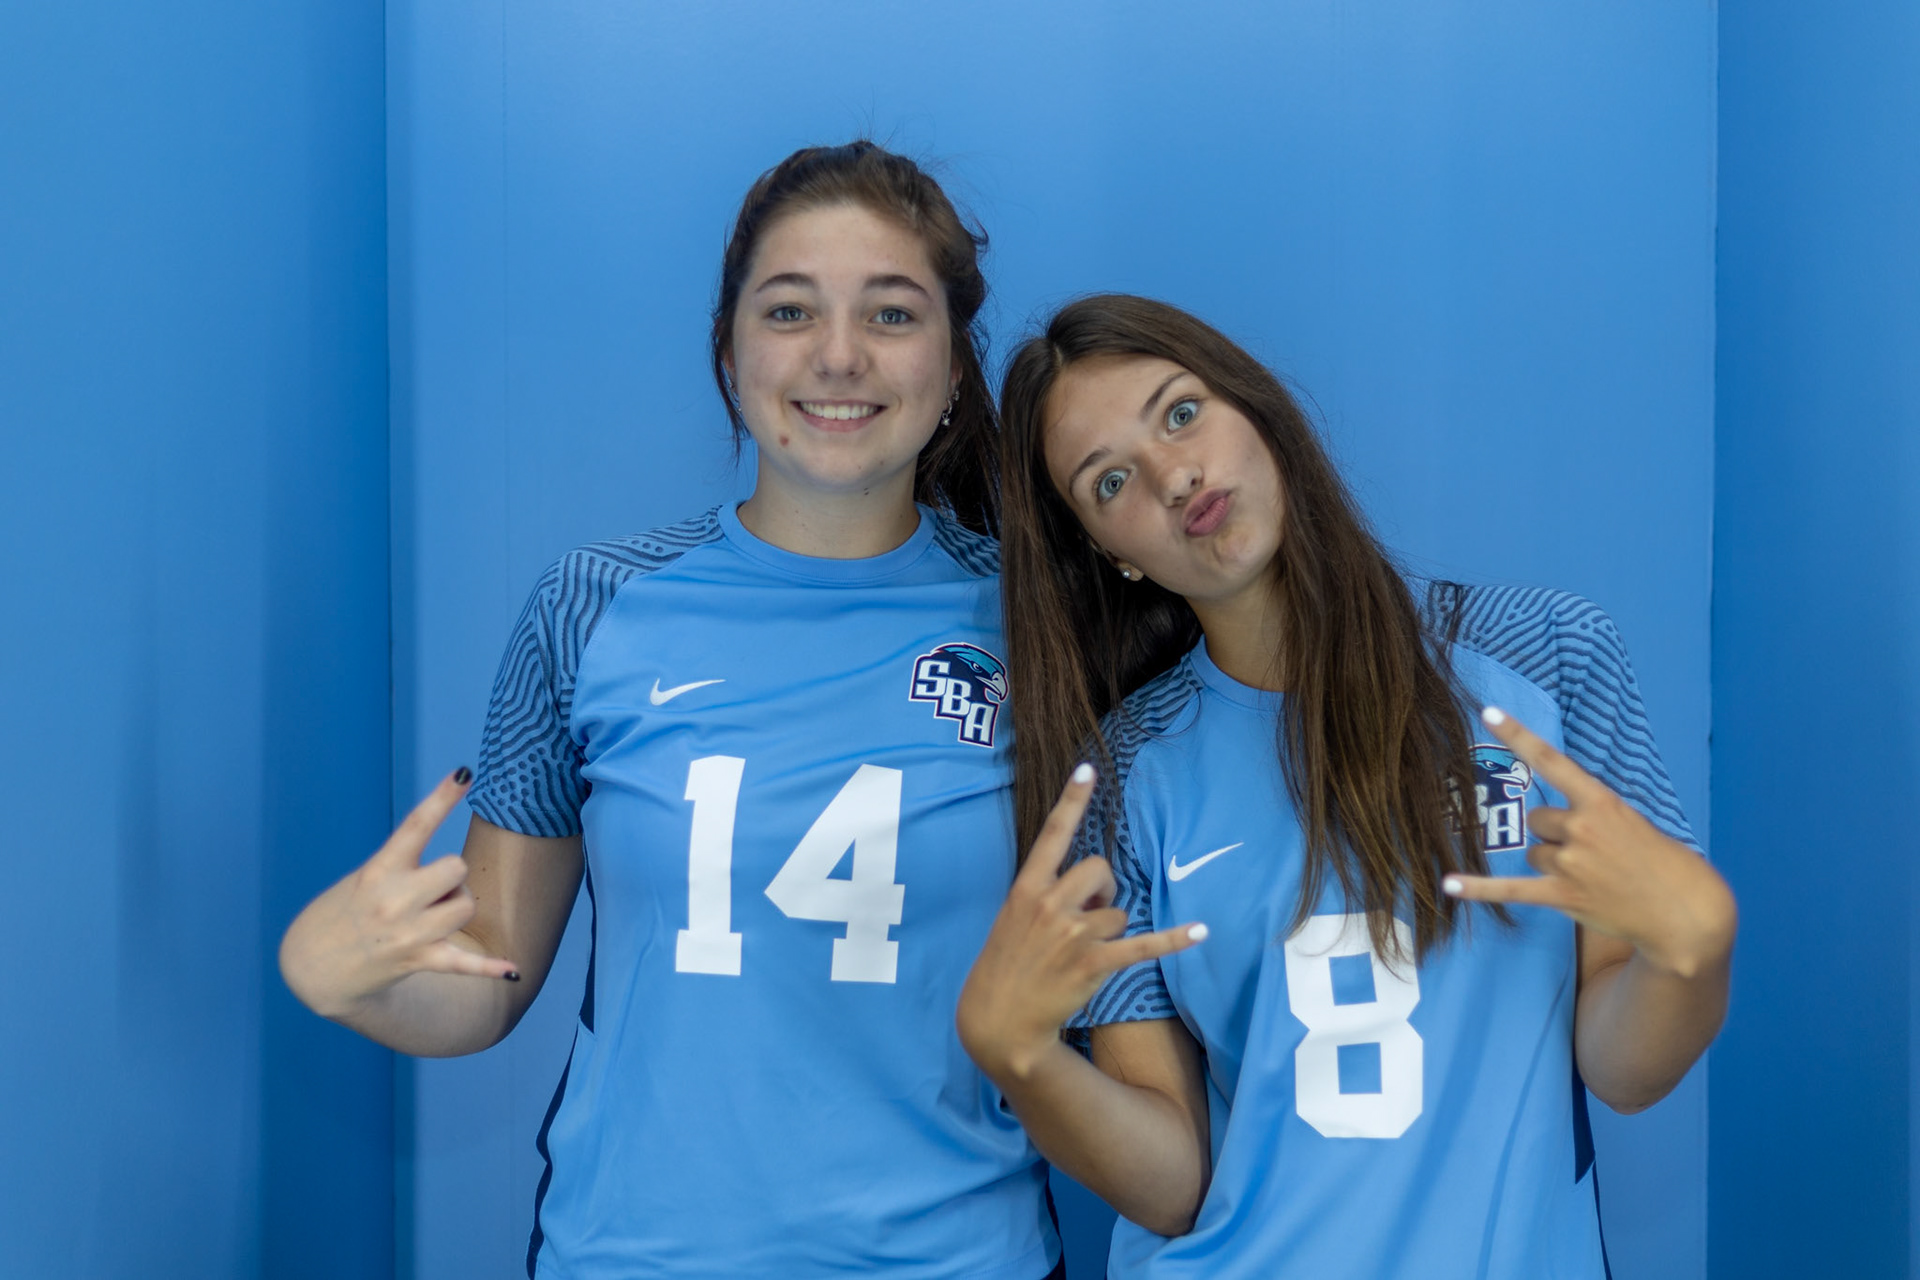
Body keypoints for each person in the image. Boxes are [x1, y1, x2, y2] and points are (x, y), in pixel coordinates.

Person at [279, 142, 1064, 1280]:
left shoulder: (1039, 627)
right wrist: (338, 971)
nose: (839, 355)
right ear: (730, 350)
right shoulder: (590, 604)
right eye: (790, 309)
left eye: (892, 314)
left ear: (951, 369)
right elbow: (489, 973)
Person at [956, 294, 1736, 1277]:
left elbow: (1623, 1069)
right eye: (1110, 480)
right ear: (1113, 553)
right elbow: (1175, 1181)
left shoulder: (1545, 658)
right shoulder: (1118, 778)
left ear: (1258, 409)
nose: (1171, 473)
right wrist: (1019, 1053)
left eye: (1182, 412)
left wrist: (1693, 952)